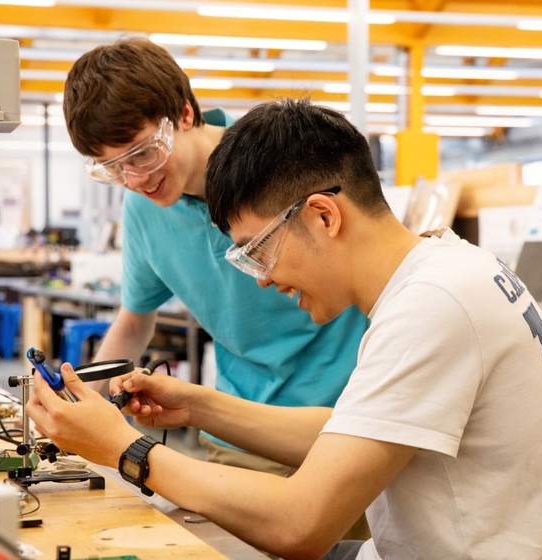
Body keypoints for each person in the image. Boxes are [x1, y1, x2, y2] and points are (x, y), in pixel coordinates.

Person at [27, 97, 542, 559]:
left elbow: (300, 525)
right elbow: (349, 432)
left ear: (324, 215)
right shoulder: (447, 269)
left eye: (258, 251)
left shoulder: (432, 307)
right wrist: (197, 406)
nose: (262, 279)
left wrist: (125, 447)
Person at [62, 37, 369, 475]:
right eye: (113, 167)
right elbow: (134, 319)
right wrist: (78, 405)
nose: (134, 180)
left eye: (142, 153)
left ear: (185, 114)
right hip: (237, 426)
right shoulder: (143, 211)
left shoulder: (283, 159)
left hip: (345, 416)